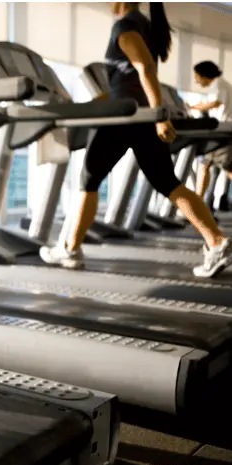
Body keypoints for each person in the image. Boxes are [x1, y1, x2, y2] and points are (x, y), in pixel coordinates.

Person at [40, 2, 232, 278]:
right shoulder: (143, 25)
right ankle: (216, 241)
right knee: (168, 182)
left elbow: (145, 70)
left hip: (127, 119)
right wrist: (94, 105)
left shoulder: (125, 27)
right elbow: (127, 82)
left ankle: (71, 249)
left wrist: (160, 117)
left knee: (89, 180)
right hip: (136, 115)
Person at [189, 61, 232, 201]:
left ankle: (198, 201)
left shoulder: (218, 84)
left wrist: (195, 108)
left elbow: (215, 103)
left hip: (223, 131)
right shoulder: (221, 84)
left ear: (204, 75)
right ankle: (199, 201)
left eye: (197, 76)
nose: (196, 80)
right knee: (208, 165)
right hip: (224, 130)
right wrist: (195, 106)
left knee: (214, 165)